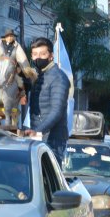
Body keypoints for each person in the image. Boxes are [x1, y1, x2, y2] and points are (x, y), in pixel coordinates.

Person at [24, 37, 70, 165]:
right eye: (35, 54)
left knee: (50, 178)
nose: (38, 58)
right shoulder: (38, 76)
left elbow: (57, 110)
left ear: (51, 56)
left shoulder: (58, 78)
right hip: (37, 137)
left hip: (52, 139)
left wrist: (38, 130)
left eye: (42, 54)